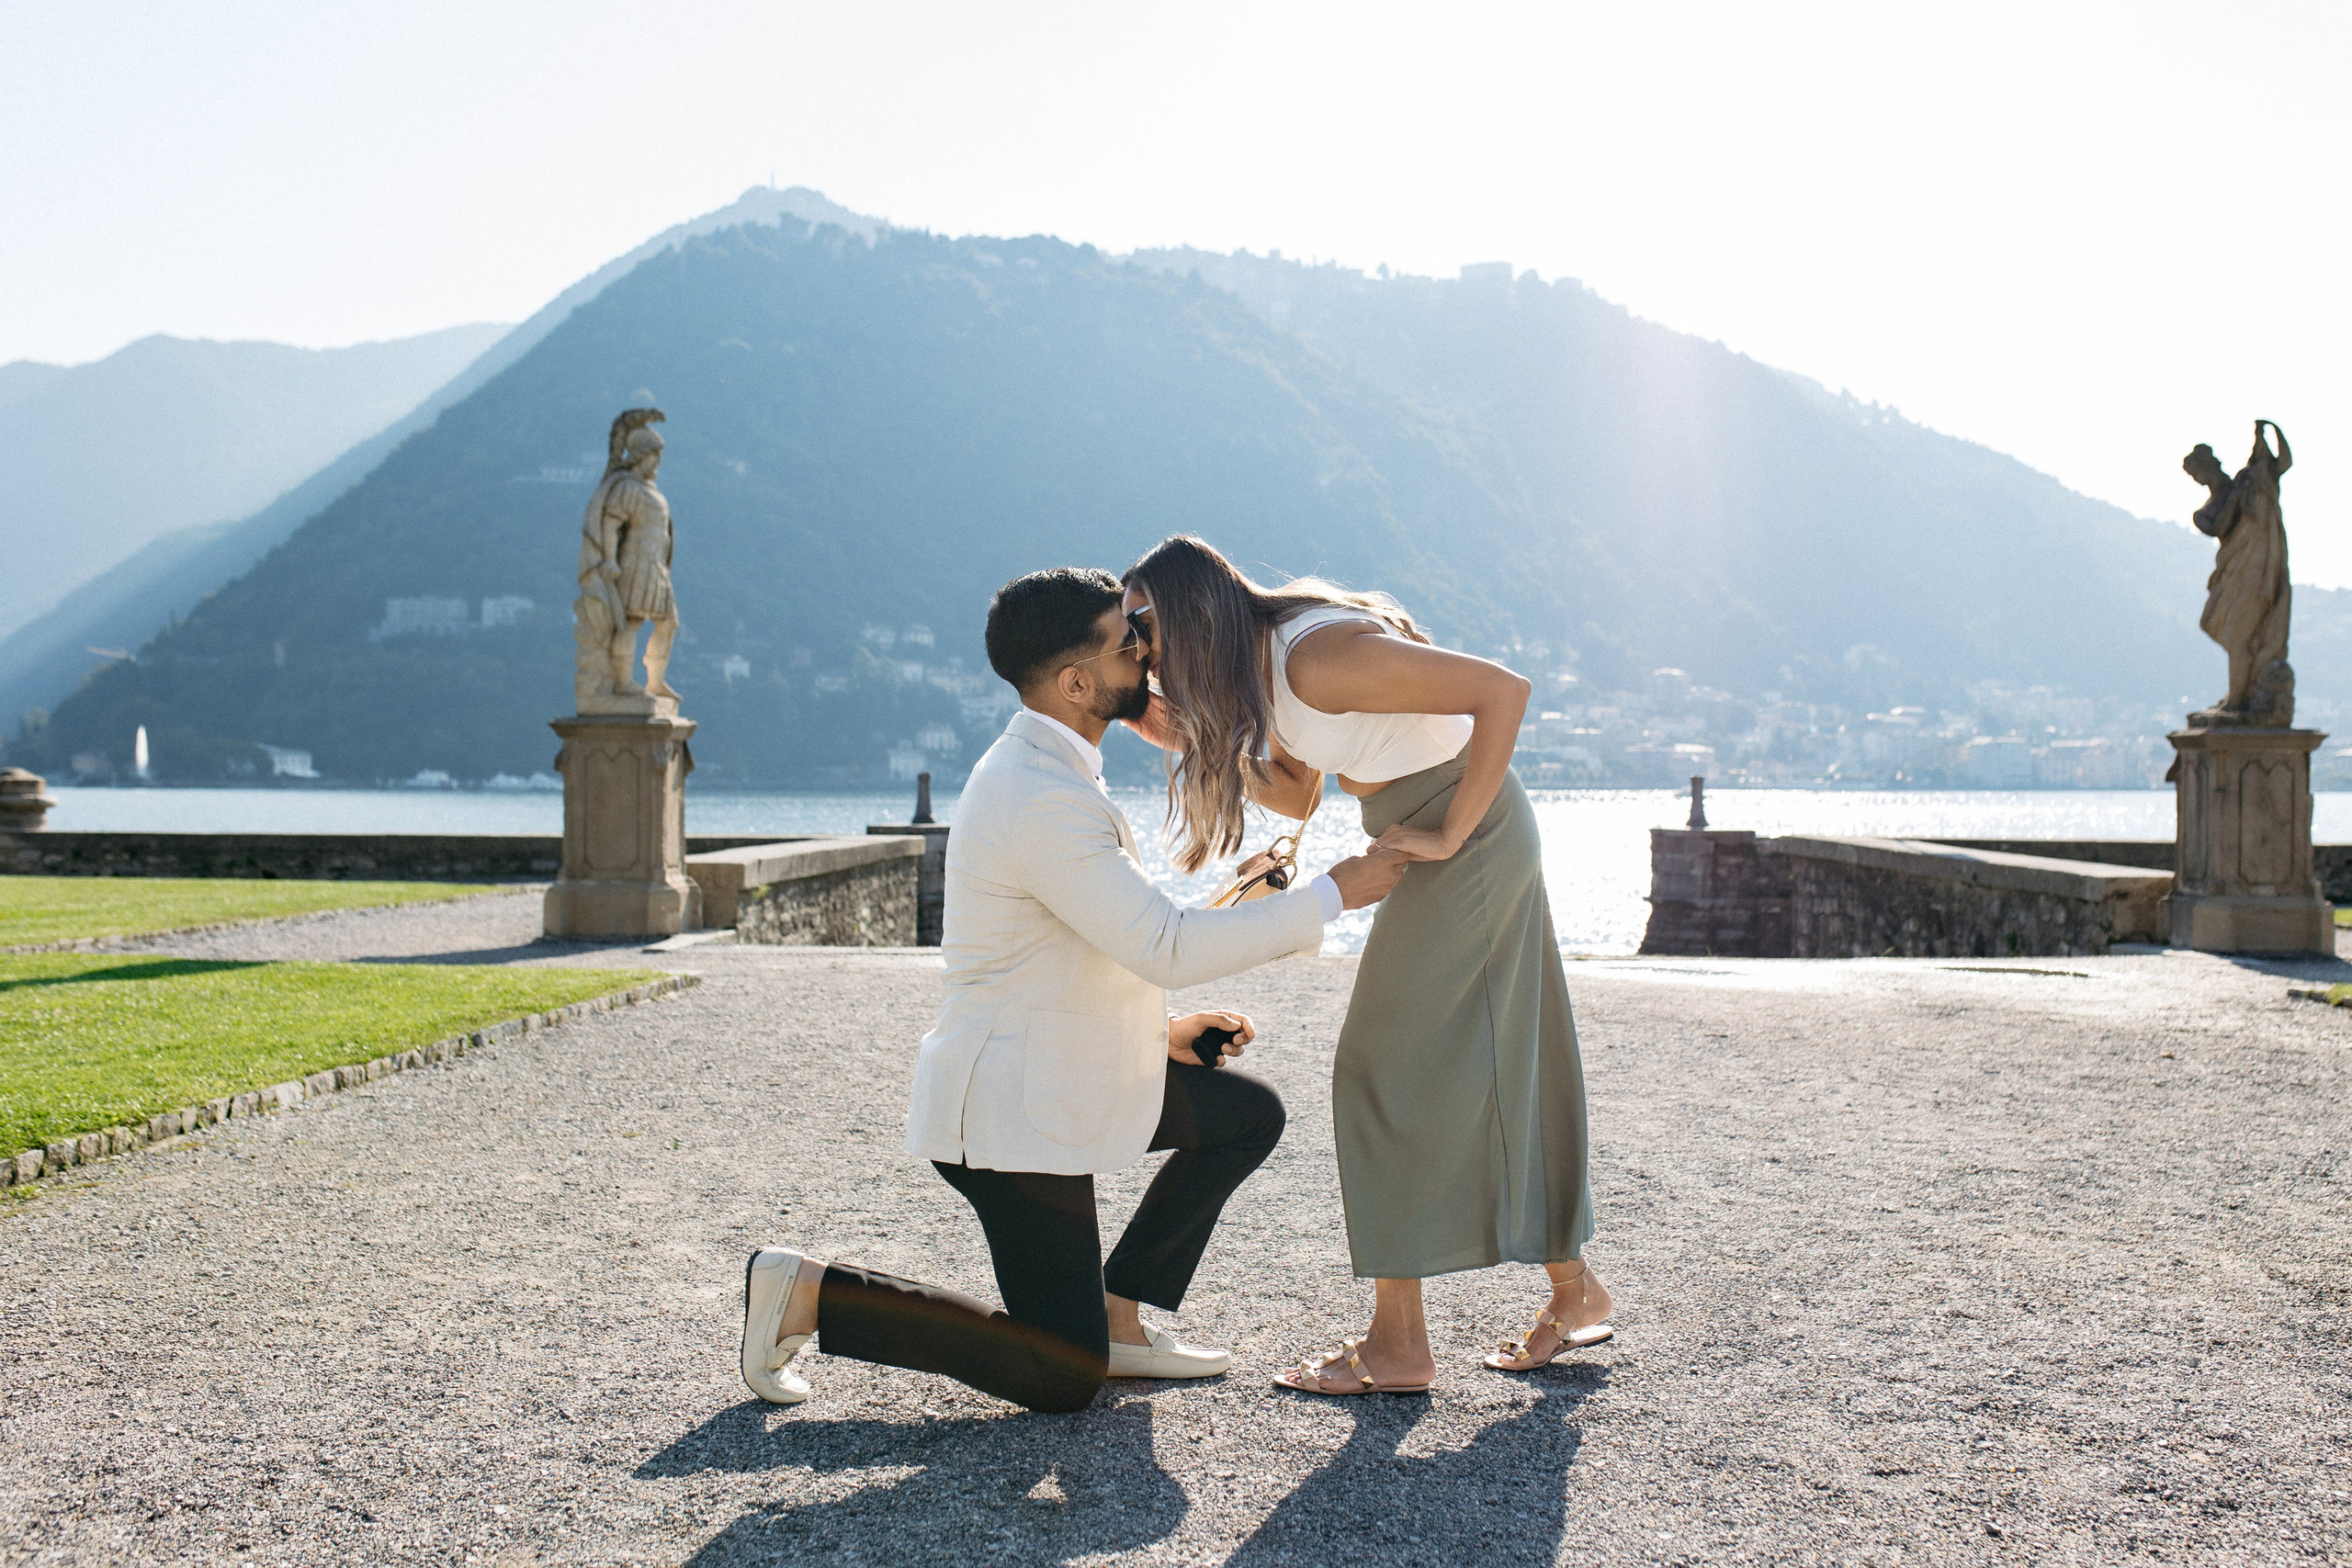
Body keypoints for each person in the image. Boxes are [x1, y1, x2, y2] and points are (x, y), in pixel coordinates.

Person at [739, 568, 1407, 1414]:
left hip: (1061, 1074)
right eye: (1128, 642)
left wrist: (1160, 1033)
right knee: (1060, 1376)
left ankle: (1120, 1317)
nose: (1148, 653)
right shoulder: (1040, 795)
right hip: (1014, 1110)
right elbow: (1161, 940)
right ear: (1077, 683)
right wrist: (1337, 890)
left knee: (1245, 1118)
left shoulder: (1055, 768)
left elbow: (1086, 944)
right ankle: (808, 1293)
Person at [1119, 536, 1611, 1395]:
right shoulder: (1268, 668)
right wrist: (1170, 729)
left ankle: (1398, 1345)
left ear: (1187, 614)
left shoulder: (1315, 659)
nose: (1140, 656)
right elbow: (1299, 792)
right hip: (1439, 829)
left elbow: (1503, 692)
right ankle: (1573, 1293)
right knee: (1506, 1059)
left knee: (1379, 1068)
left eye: (1142, 632)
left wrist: (1454, 832)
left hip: (1466, 833)